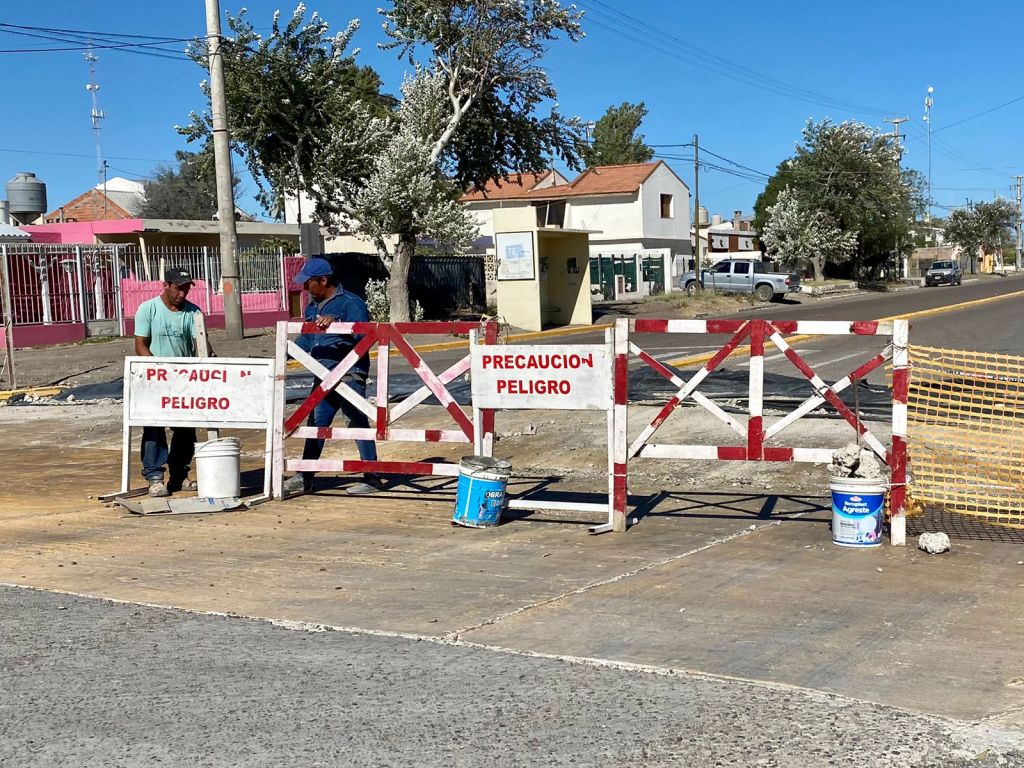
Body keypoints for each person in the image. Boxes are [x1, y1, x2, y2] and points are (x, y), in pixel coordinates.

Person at [283, 257, 383, 497]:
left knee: (356, 422)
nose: (305, 289)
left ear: (323, 280)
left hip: (348, 374)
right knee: (316, 425)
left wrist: (339, 324)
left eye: (309, 283)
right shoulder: (312, 307)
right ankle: (306, 476)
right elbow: (306, 339)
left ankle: (372, 476)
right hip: (322, 374)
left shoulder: (351, 303)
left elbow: (365, 337)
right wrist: (285, 353)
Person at [134, 267, 211, 498]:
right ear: (166, 285)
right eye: (179, 288)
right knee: (154, 428)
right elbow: (140, 344)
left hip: (185, 381)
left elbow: (202, 346)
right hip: (157, 380)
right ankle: (155, 477)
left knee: (186, 430)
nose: (183, 293)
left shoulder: (194, 313)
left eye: (187, 288)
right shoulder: (148, 309)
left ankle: (179, 475)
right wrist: (159, 371)